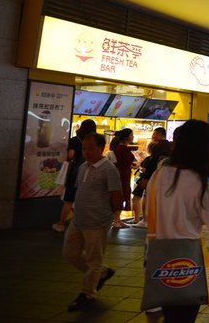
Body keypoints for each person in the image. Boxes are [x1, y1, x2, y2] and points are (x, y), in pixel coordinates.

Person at [145, 119, 209, 322]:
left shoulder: (158, 175)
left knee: (169, 313)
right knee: (183, 316)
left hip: (156, 254)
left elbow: (148, 212)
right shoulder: (201, 182)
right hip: (186, 259)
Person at [62, 132, 122, 312]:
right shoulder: (83, 167)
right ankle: (102, 272)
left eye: (90, 148)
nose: (86, 152)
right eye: (84, 148)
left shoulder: (109, 169)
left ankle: (87, 293)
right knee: (70, 254)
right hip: (78, 220)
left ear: (101, 148)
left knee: (94, 260)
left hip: (97, 222)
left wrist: (109, 215)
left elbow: (116, 196)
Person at [54, 119, 96, 232]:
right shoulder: (94, 141)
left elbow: (70, 155)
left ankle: (61, 224)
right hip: (89, 172)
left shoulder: (75, 140)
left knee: (69, 200)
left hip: (75, 173)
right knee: (83, 198)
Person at [130, 140, 172, 228]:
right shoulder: (172, 159)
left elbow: (147, 173)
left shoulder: (154, 158)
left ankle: (145, 220)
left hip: (152, 183)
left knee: (145, 199)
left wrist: (144, 182)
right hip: (167, 187)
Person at [110, 128, 135, 228]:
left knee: (120, 195)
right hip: (123, 175)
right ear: (126, 137)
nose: (133, 137)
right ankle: (117, 220)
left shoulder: (119, 147)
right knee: (122, 195)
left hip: (120, 174)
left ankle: (117, 220)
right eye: (132, 135)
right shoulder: (123, 148)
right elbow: (125, 163)